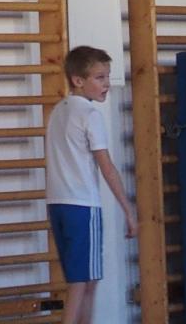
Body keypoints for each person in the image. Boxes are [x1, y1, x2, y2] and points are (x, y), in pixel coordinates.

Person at [45, 46, 138, 324]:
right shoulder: (89, 115)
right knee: (80, 284)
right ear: (78, 80)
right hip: (82, 206)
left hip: (58, 204)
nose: (106, 83)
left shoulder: (58, 111)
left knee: (87, 281)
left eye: (107, 76)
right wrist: (128, 210)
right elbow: (106, 166)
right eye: (99, 77)